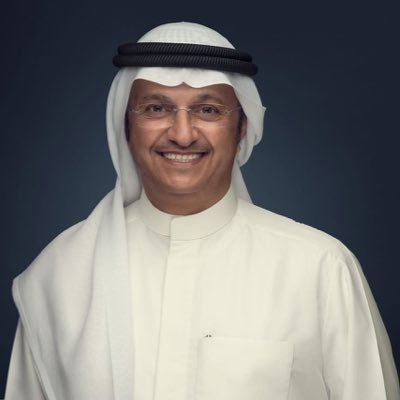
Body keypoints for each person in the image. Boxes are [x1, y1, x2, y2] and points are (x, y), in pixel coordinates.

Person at [4, 21, 399, 400]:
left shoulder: (320, 269)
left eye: (208, 110)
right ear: (125, 127)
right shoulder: (59, 276)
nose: (182, 134)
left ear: (241, 128)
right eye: (156, 108)